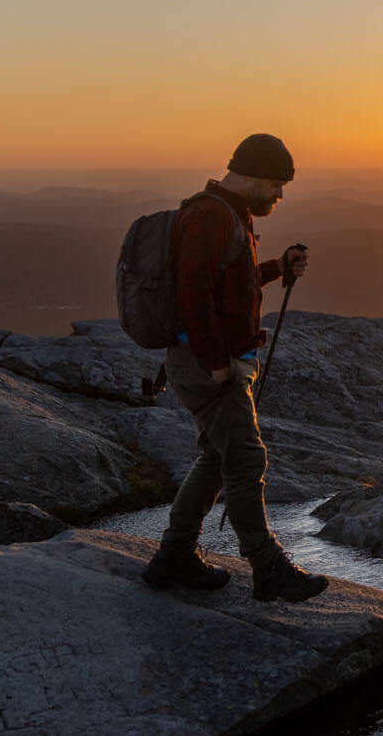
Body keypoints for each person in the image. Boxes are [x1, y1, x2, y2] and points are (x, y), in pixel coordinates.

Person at [140, 133, 328, 602]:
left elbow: (231, 285)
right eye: (275, 184)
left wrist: (277, 267)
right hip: (207, 363)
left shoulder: (227, 214)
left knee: (216, 458)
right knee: (246, 459)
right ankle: (267, 567)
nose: (280, 195)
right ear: (248, 174)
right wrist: (217, 365)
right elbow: (193, 294)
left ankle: (174, 556)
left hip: (208, 360)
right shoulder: (209, 216)